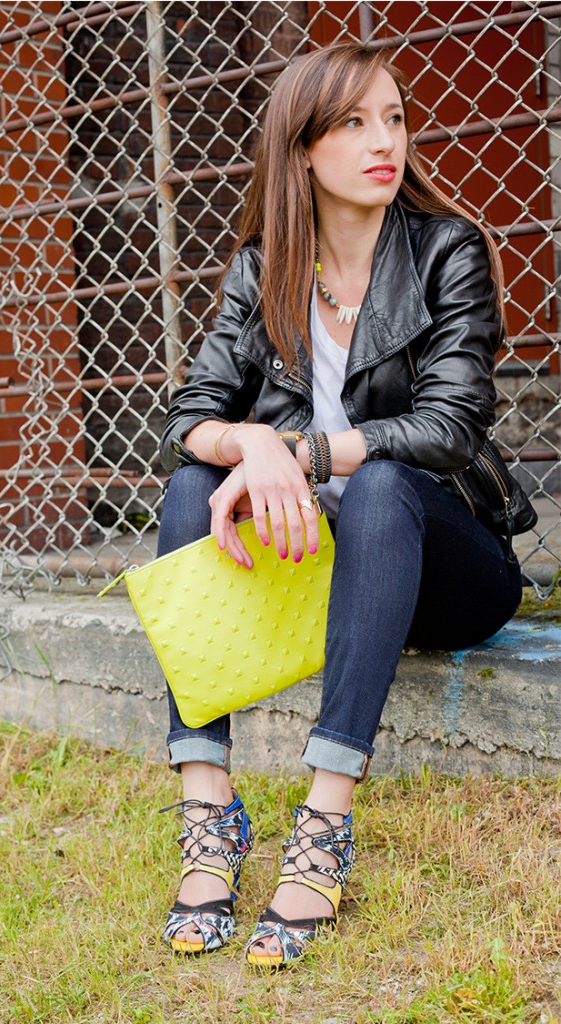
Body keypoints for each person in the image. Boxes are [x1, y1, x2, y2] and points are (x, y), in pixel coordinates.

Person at [155, 41, 534, 967]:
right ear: (301, 151)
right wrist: (249, 442)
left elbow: (451, 425)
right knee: (191, 484)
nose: (385, 141)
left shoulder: (448, 251)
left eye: (395, 118)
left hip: (452, 567)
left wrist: (306, 450)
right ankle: (210, 811)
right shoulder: (262, 270)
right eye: (354, 122)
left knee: (385, 481)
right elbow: (189, 416)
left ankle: (325, 820)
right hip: (337, 575)